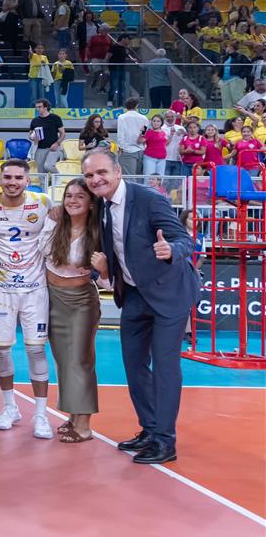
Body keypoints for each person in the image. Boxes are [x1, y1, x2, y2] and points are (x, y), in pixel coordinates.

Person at [82, 150, 198, 465]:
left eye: (102, 172)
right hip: (134, 293)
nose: (96, 179)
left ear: (118, 171)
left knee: (165, 366)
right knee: (134, 364)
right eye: (90, 175)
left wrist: (170, 248)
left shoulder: (149, 199)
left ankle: (165, 441)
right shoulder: (101, 205)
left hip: (169, 292)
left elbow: (185, 241)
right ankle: (150, 428)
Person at [0, 161, 54, 438]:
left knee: (36, 350)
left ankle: (41, 414)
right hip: (1, 289)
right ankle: (10, 406)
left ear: (27, 179)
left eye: (18, 177)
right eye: (7, 177)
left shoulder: (43, 202)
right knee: (1, 350)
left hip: (35, 289)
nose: (12, 182)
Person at [45, 178, 107, 444]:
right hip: (51, 298)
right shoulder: (55, 223)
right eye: (69, 195)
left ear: (91, 203)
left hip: (81, 301)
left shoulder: (99, 232)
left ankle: (84, 425)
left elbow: (108, 281)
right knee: (63, 360)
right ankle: (73, 416)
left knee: (80, 361)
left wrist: (104, 268)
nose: (72, 200)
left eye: (79, 196)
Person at [28, 99, 65, 175]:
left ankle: (60, 177)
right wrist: (33, 137)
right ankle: (45, 183)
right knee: (41, 173)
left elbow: (63, 134)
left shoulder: (55, 118)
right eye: (36, 107)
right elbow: (30, 134)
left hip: (53, 148)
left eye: (39, 107)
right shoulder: (35, 120)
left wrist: (57, 143)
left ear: (46, 107)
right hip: (40, 148)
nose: (37, 109)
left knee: (48, 166)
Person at [115, 97, 148, 177]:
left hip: (127, 150)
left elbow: (120, 135)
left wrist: (121, 148)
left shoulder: (122, 117)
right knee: (137, 177)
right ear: (137, 106)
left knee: (129, 178)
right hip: (140, 150)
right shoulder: (144, 118)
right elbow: (144, 134)